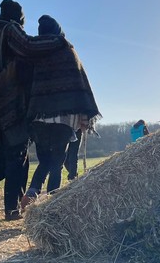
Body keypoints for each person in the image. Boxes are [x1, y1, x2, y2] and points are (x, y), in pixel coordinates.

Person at [0, 0, 66, 221]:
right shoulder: (9, 29)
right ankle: (11, 210)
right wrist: (57, 41)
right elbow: (29, 47)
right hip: (10, 100)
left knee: (3, 150)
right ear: (18, 18)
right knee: (18, 153)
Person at [21, 15, 101, 210]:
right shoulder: (67, 50)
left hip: (38, 118)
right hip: (63, 120)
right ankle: (51, 205)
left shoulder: (34, 51)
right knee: (57, 162)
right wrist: (84, 116)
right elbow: (79, 83)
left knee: (44, 161)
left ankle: (31, 192)